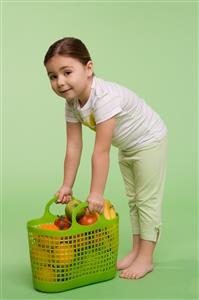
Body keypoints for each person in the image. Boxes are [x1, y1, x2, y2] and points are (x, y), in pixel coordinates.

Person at [43, 37, 168, 280]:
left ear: (88, 69)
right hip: (128, 146)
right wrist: (67, 185)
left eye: (67, 72)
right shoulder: (72, 103)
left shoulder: (104, 98)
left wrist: (96, 193)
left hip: (150, 141)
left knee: (147, 200)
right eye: (52, 76)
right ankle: (136, 250)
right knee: (134, 200)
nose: (60, 82)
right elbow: (73, 145)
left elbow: (100, 150)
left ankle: (146, 257)